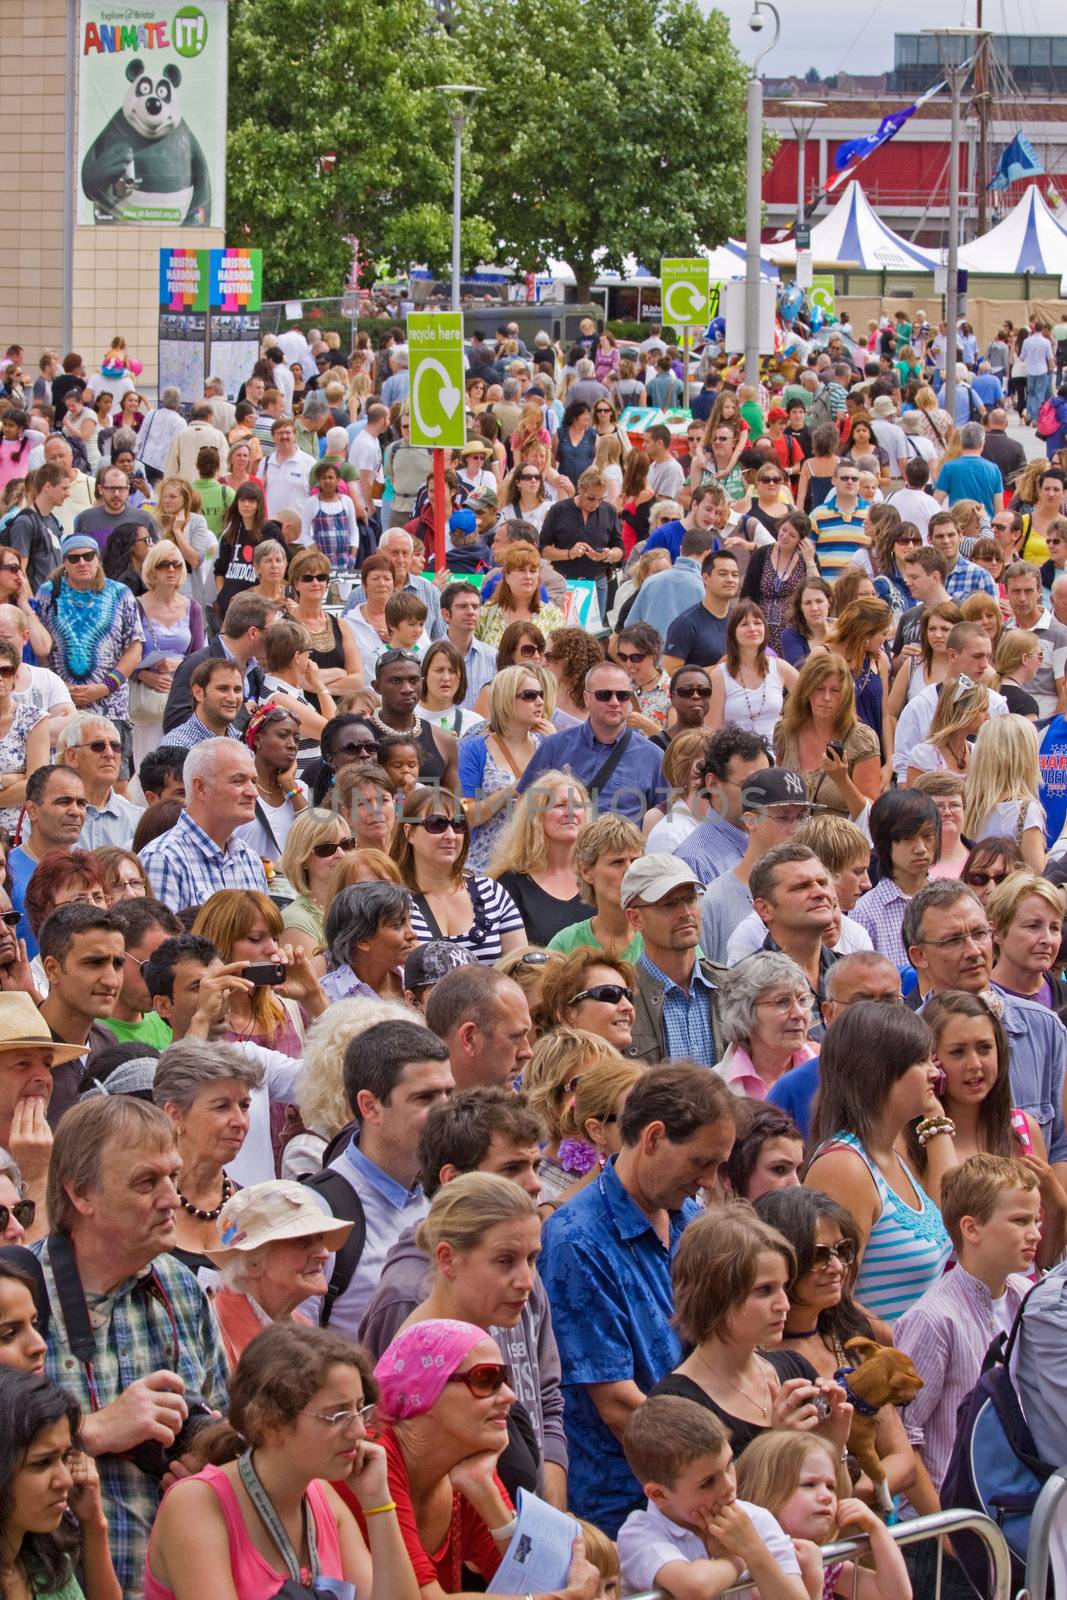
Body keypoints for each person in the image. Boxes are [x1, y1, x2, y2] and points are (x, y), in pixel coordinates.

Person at [32, 1096, 228, 1594]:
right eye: (146, 1182)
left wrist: (211, 1458)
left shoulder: (181, 1287)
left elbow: (223, 1415)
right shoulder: (20, 1299)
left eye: (173, 1176)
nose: (171, 1198)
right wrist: (92, 1431)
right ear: (81, 1194)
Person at [537, 1065, 738, 1534]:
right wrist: (718, 1476)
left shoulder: (689, 1218)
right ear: (653, 1137)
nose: (709, 1181)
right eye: (700, 1162)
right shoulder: (575, 1241)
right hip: (627, 1512)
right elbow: (619, 1406)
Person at [143, 1323, 419, 1600]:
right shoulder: (196, 1505)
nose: (359, 1431)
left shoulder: (323, 1497)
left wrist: (378, 1502)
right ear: (270, 1422)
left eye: (360, 1409)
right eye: (337, 1416)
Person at [755, 1185, 922, 1508]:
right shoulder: (754, 1357)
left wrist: (850, 1496)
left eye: (842, 1250)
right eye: (819, 1255)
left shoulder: (850, 1341)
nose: (836, 1267)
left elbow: (902, 1458)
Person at [893, 1154, 1040, 1495]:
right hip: (955, 1516)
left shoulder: (1027, 1296)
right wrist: (946, 1532)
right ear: (971, 1228)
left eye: (1036, 1220)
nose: (1034, 1234)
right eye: (1020, 1221)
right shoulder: (934, 1318)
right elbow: (903, 1434)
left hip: (1013, 1501)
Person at [301, 1018, 454, 1335]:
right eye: (425, 1097)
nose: (446, 1110)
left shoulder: (452, 1191)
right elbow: (296, 1357)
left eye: (449, 1093)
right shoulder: (318, 1213)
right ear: (370, 1106)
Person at [804, 1002, 953, 1323]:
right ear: (879, 1071)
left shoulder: (889, 1154)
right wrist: (902, 1349)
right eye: (921, 1060)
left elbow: (949, 1212)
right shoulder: (845, 1167)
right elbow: (833, 1300)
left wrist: (936, 1117)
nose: (935, 1072)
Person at [914, 990, 1066, 1263]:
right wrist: (932, 1112)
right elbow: (944, 1237)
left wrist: (1057, 1205)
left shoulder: (1023, 1128)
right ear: (932, 1060)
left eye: (984, 1048)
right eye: (958, 1052)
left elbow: (1040, 1260)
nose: (975, 1065)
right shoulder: (912, 1139)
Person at [617, 1397, 807, 1600]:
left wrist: (754, 1550)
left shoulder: (754, 1520)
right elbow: (696, 1588)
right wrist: (734, 1558)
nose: (729, 1486)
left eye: (728, 1465)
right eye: (708, 1482)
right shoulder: (639, 1532)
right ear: (659, 1494)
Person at [734, 1429, 911, 1600]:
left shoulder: (825, 1560)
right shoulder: (753, 1569)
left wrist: (877, 1529)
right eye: (809, 1484)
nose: (826, 1496)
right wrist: (813, 1578)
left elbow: (894, 1595)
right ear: (765, 1491)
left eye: (831, 1486)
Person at [205, 1180, 354, 1366]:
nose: (324, 1254)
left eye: (320, 1238)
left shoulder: (302, 1328)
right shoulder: (210, 1334)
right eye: (302, 1240)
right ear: (253, 1264)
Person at [151, 1038, 265, 1276]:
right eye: (222, 1107)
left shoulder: (253, 1208)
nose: (240, 1122)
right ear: (175, 1115)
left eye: (244, 1106)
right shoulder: (142, 1206)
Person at [35, 533, 144, 780]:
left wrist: (105, 687)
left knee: (115, 781)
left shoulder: (120, 594)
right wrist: (57, 687)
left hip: (111, 706)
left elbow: (135, 648)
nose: (82, 562)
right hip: (63, 706)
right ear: (64, 563)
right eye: (74, 558)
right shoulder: (48, 592)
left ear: (98, 559)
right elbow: (40, 646)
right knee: (64, 779)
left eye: (88, 556)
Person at [518, 659, 664, 824]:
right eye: (604, 695)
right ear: (587, 698)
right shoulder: (554, 747)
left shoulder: (653, 756)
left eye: (622, 696)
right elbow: (525, 807)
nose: (614, 702)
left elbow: (663, 821)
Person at [138, 740, 268, 910]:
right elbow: (162, 936)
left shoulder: (249, 859)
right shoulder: (162, 858)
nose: (253, 792)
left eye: (254, 781)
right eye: (238, 780)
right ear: (200, 787)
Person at [193, 888, 324, 1052]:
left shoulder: (292, 1009)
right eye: (256, 938)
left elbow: (347, 1064)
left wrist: (313, 994)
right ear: (219, 943)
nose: (273, 949)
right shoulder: (195, 1014)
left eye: (276, 938)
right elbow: (183, 1072)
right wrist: (203, 1019)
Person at [458, 665, 548, 869]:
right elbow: (466, 816)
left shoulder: (546, 746)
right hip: (487, 866)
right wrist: (510, 792)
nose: (540, 701)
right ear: (506, 699)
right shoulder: (475, 749)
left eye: (540, 694)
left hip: (536, 864)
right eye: (529, 695)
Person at [773, 653, 880, 818]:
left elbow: (870, 817)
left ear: (845, 695)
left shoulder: (861, 739)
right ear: (806, 691)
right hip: (791, 838)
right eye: (819, 689)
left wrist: (842, 780)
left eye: (835, 690)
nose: (826, 698)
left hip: (840, 840)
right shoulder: (786, 732)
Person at [490, 771, 591, 945]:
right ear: (536, 817)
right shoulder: (510, 884)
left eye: (578, 805)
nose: (571, 812)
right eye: (560, 805)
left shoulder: (598, 877)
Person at [161, 592, 273, 735]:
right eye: (271, 630)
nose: (273, 637)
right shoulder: (197, 664)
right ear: (253, 633)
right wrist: (241, 713)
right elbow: (174, 724)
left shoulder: (255, 670)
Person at [851, 789, 940, 965]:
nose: (921, 848)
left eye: (928, 836)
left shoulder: (949, 897)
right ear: (885, 843)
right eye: (908, 838)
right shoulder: (865, 912)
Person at [8, 767, 89, 958]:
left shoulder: (89, 869)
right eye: (64, 801)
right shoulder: (6, 870)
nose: (76, 811)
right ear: (32, 810)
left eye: (82, 803)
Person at [545, 813, 645, 960]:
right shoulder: (566, 945)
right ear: (586, 872)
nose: (630, 871)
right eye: (617, 862)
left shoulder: (662, 933)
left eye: (636, 861)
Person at [422, 964, 533, 1092]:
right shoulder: (417, 1110)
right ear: (469, 1038)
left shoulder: (519, 1104)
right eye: (515, 1037)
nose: (527, 1052)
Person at [960, 716, 1046, 873]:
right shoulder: (1025, 810)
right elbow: (1038, 873)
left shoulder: (964, 803)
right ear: (1026, 757)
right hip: (1008, 895)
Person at [97, 897, 181, 1053]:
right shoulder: (90, 1034)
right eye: (149, 968)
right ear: (117, 956)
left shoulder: (170, 1024)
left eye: (169, 970)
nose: (160, 982)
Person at [705, 601, 798, 743]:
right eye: (744, 624)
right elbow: (711, 730)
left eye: (757, 623)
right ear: (732, 632)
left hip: (776, 757)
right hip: (733, 757)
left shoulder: (780, 667)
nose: (752, 629)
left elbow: (809, 696)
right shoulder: (719, 675)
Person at [368, 649, 459, 794]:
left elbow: (455, 807)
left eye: (413, 680)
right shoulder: (359, 738)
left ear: (422, 683)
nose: (407, 689)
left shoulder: (444, 741)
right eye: (396, 681)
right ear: (377, 687)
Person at [539, 467, 624, 620]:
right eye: (591, 498)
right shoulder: (559, 510)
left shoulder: (609, 510)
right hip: (564, 581)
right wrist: (569, 553)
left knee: (595, 633)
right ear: (580, 489)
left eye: (600, 499)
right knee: (562, 629)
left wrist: (608, 554)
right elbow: (543, 549)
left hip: (597, 581)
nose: (596, 504)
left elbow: (620, 549)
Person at [319, 882, 417, 1005]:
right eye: (398, 924)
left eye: (409, 922)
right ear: (362, 940)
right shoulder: (325, 996)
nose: (412, 934)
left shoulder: (419, 984)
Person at [286, 546, 365, 698]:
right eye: (307, 578)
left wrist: (317, 686)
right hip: (302, 711)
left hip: (340, 712)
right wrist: (339, 673)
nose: (315, 582)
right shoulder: (285, 627)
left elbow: (358, 682)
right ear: (296, 583)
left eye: (321, 577)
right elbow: (294, 680)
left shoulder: (341, 625)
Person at [55, 713, 142, 851]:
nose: (109, 753)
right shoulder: (47, 817)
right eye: (98, 746)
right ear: (72, 757)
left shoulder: (138, 820)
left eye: (115, 746)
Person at [988, 871, 1067, 1010]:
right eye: (1033, 926)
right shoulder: (972, 1002)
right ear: (997, 931)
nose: (1047, 939)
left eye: (1054, 928)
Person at [661, 550, 740, 676]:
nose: (730, 579)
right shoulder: (685, 623)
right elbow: (670, 672)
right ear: (706, 578)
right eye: (723, 574)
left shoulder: (740, 619)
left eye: (735, 575)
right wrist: (717, 669)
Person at [904, 676, 989, 781]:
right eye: (983, 710)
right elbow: (914, 797)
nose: (988, 716)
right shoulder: (924, 755)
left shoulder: (978, 753)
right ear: (962, 712)